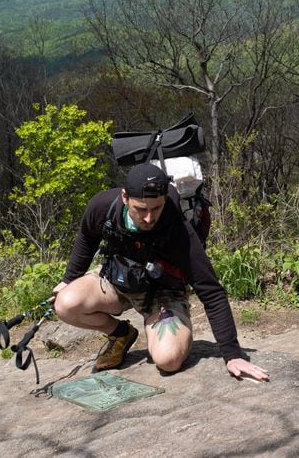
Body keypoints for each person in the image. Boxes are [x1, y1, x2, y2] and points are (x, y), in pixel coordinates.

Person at [53, 163, 269, 382]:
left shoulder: (178, 229)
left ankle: (157, 329)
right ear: (125, 197)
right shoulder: (103, 206)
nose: (148, 218)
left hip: (162, 293)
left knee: (168, 360)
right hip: (117, 280)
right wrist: (69, 278)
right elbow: (87, 236)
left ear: (165, 199)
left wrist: (232, 355)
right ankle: (120, 334)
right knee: (65, 303)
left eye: (156, 208)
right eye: (141, 209)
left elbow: (211, 291)